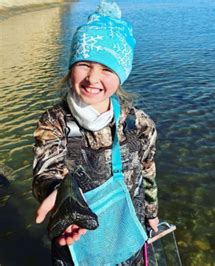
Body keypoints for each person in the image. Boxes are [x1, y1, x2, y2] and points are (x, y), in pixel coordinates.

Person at [32, 1, 159, 264]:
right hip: (73, 235)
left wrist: (152, 213)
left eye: (107, 69)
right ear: (71, 68)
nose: (92, 78)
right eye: (84, 64)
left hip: (128, 234)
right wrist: (63, 197)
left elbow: (148, 170)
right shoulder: (54, 122)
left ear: (121, 75)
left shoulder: (138, 123)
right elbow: (46, 171)